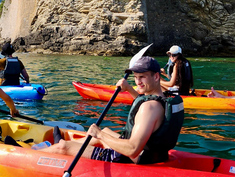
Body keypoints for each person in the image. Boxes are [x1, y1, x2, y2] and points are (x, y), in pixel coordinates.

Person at [39, 56, 184, 164]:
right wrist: (128, 89)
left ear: (156, 76)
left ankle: (33, 152)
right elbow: (145, 109)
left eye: (143, 77)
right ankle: (69, 145)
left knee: (64, 147)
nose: (138, 82)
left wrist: (100, 134)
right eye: (136, 77)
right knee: (108, 131)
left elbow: (133, 149)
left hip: (128, 157)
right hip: (155, 155)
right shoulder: (163, 99)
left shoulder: (150, 107)